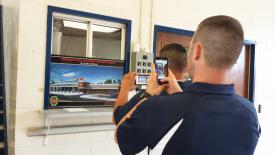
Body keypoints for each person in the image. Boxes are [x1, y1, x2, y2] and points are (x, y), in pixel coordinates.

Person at [113, 15, 260, 155]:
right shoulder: (249, 112)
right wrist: (178, 93)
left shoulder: (158, 107)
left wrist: (149, 93)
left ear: (196, 51)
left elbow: (120, 137)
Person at [113, 43, 190, 122]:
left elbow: (117, 118)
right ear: (187, 66)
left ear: (157, 65)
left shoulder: (148, 95)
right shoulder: (194, 93)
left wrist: (125, 88)